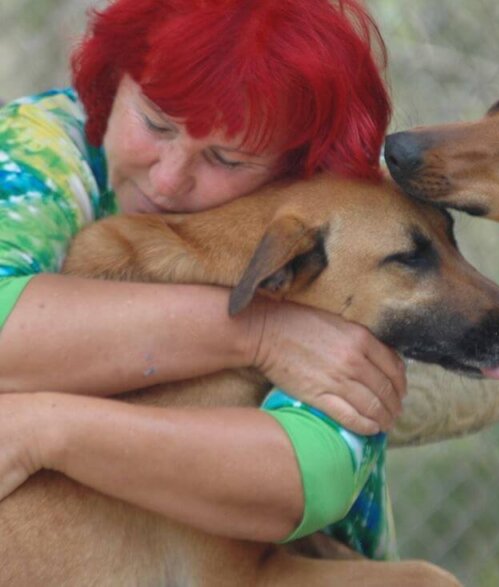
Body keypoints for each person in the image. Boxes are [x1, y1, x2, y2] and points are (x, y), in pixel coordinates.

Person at [0, 0, 405, 560]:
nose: (167, 181)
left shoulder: (334, 234)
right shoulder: (40, 149)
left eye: (227, 159)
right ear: (116, 79)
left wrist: (48, 430)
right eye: (155, 123)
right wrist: (258, 333)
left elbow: (310, 475)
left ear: (296, 170)